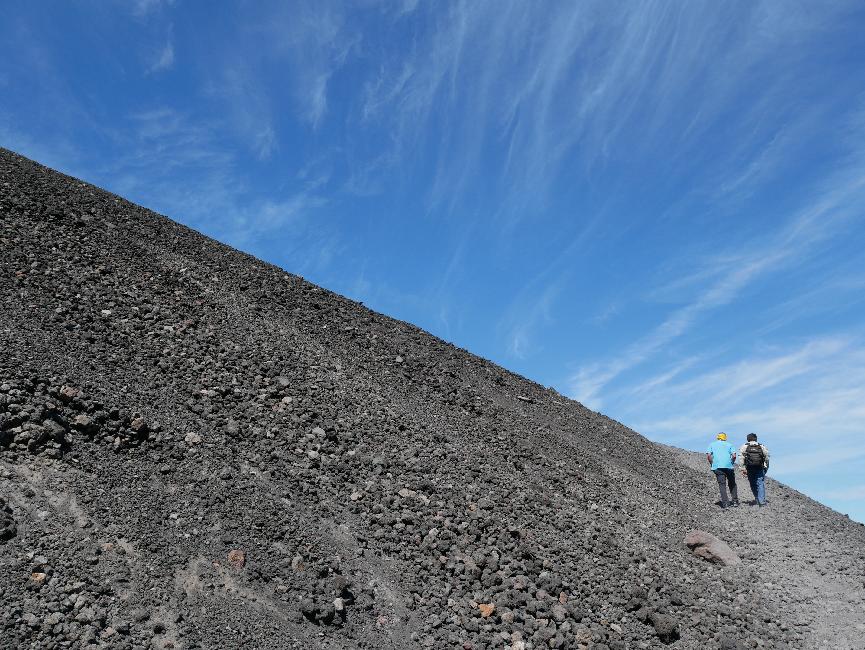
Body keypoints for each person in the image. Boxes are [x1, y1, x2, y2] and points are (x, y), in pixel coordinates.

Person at [706, 432, 739, 508]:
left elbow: (709, 456)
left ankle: (725, 503)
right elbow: (734, 456)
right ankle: (735, 501)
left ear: (718, 437)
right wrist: (731, 463)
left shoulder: (712, 444)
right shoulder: (729, 445)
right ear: (725, 437)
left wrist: (712, 463)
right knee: (732, 483)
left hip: (717, 467)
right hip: (729, 467)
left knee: (722, 485)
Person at [739, 433, 770, 506]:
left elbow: (741, 458)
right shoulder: (761, 446)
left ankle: (757, 498)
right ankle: (762, 502)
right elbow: (767, 457)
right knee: (760, 483)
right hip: (759, 467)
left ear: (748, 439)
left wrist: (742, 469)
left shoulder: (744, 446)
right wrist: (766, 467)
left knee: (752, 483)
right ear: (756, 439)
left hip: (749, 467)